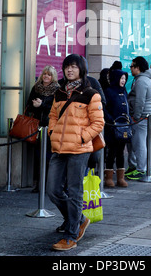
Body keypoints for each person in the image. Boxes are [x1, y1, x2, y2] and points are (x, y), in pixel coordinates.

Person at [46, 54, 104, 251]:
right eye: (66, 67)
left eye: (73, 67)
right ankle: (78, 219)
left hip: (79, 150)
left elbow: (98, 123)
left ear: (81, 69)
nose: (69, 70)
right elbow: (53, 116)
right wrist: (52, 132)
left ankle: (71, 235)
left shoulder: (91, 93)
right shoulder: (59, 93)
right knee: (53, 190)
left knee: (74, 192)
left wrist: (81, 137)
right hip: (59, 149)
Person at [26, 65, 59, 192]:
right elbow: (28, 105)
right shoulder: (36, 88)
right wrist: (35, 106)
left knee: (49, 156)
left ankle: (49, 184)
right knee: (38, 156)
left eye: (49, 74)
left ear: (53, 77)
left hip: (51, 127)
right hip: (37, 126)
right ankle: (39, 184)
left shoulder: (57, 90)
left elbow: (57, 109)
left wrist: (42, 105)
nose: (46, 76)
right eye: (45, 73)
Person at [126, 56, 151, 181]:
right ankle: (135, 166)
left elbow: (140, 101)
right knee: (137, 143)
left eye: (132, 66)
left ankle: (141, 169)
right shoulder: (142, 79)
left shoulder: (141, 81)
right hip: (142, 117)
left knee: (140, 144)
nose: (130, 68)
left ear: (138, 67)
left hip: (141, 118)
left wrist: (136, 116)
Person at [104, 69, 130, 188]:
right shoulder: (109, 91)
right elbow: (104, 109)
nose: (123, 81)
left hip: (123, 126)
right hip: (112, 126)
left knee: (121, 152)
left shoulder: (124, 91)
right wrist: (111, 120)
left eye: (124, 79)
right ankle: (108, 177)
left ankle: (121, 178)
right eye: (121, 78)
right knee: (111, 152)